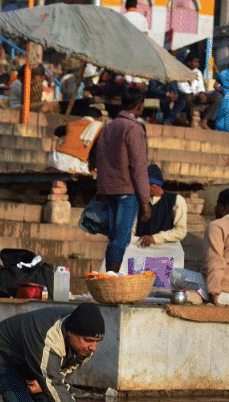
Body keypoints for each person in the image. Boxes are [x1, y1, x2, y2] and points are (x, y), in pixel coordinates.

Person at [93, 86, 151, 273]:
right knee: (121, 238)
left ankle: (111, 274)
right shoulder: (133, 128)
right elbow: (138, 167)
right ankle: (112, 276)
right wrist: (145, 200)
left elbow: (99, 160)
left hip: (109, 189)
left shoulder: (109, 127)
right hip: (126, 190)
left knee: (115, 238)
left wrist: (101, 189)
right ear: (139, 106)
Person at [119, 164, 187, 274]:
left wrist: (155, 238)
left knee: (164, 285)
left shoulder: (177, 201)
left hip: (165, 250)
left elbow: (181, 231)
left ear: (154, 186)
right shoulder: (139, 202)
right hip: (141, 249)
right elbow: (132, 230)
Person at [47, 108, 103, 175]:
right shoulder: (97, 128)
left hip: (56, 160)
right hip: (75, 164)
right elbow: (94, 152)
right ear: (97, 119)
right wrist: (92, 168)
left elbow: (57, 131)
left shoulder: (72, 124)